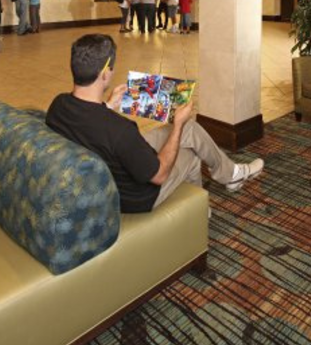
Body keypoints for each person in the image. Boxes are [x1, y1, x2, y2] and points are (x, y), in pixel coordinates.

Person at [46, 34, 264, 213]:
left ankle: (231, 175)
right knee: (191, 153)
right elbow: (158, 175)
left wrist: (109, 106)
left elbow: (92, 127)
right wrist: (176, 124)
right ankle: (198, 215)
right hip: (135, 196)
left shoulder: (58, 105)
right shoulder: (120, 129)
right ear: (105, 73)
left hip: (112, 168)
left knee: (191, 129)